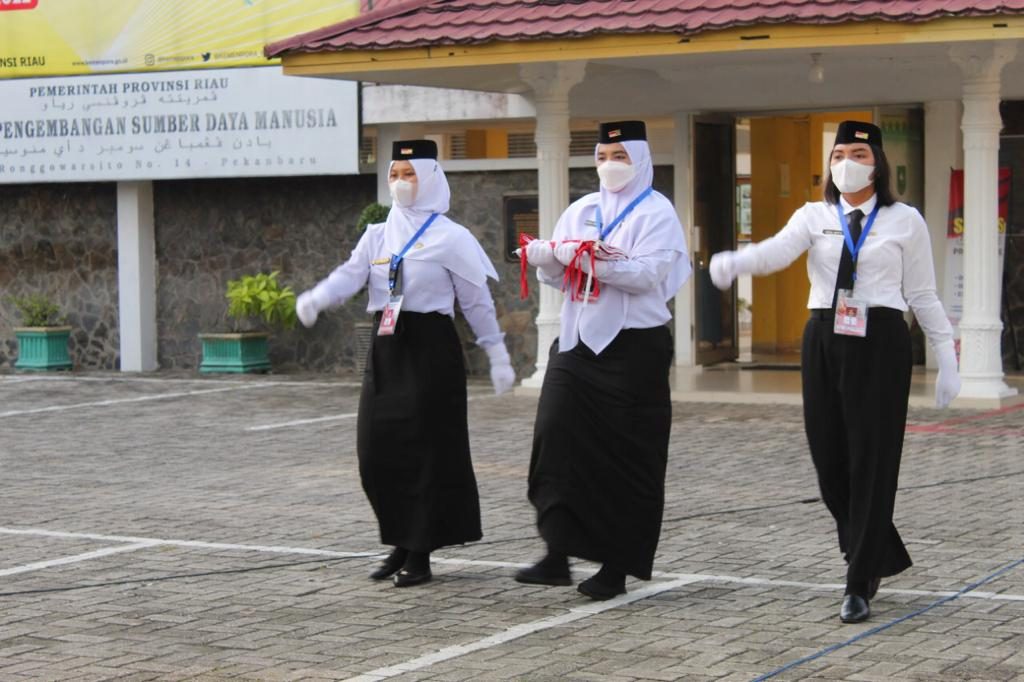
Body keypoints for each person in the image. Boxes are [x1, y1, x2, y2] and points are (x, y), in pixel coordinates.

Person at [709, 120, 961, 623]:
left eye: (860, 154)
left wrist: (946, 353)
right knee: (829, 460)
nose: (847, 162)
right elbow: (777, 251)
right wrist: (737, 261)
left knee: (872, 458)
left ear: (879, 164)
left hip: (880, 338)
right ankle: (874, 552)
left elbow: (923, 293)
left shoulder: (904, 219)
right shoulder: (814, 214)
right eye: (839, 153)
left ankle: (858, 578)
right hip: (824, 334)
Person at [295, 140, 515, 588]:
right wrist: (318, 297)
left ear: (430, 178)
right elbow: (351, 274)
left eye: (409, 174)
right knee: (376, 449)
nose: (400, 182)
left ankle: (419, 551)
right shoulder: (378, 234)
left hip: (431, 347)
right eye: (394, 173)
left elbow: (476, 301)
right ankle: (399, 536)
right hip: (387, 344)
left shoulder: (452, 238)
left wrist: (497, 353)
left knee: (426, 451)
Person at [518, 120, 691, 600]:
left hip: (633, 348)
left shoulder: (657, 212)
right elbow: (560, 275)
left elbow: (646, 275)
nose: (609, 167)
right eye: (601, 157)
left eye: (619, 158)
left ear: (640, 161)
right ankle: (557, 552)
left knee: (625, 456)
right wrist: (548, 257)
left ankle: (616, 566)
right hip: (576, 341)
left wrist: (585, 257)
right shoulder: (581, 208)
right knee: (554, 438)